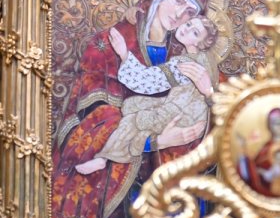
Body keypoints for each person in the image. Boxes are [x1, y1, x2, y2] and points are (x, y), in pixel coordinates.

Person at [53, 0, 214, 218]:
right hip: (127, 179)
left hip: (174, 177)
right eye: (178, 1)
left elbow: (216, 110)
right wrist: (154, 142)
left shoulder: (187, 56)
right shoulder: (109, 43)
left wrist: (209, 92)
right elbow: (91, 120)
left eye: (190, 13)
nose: (180, 16)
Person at [74, 17, 220, 177]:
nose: (186, 28)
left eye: (195, 32)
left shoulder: (184, 64)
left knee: (135, 120)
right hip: (187, 111)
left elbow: (146, 81)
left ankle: (104, 158)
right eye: (189, 23)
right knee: (131, 104)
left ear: (200, 44)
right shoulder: (205, 59)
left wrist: (124, 54)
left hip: (180, 115)